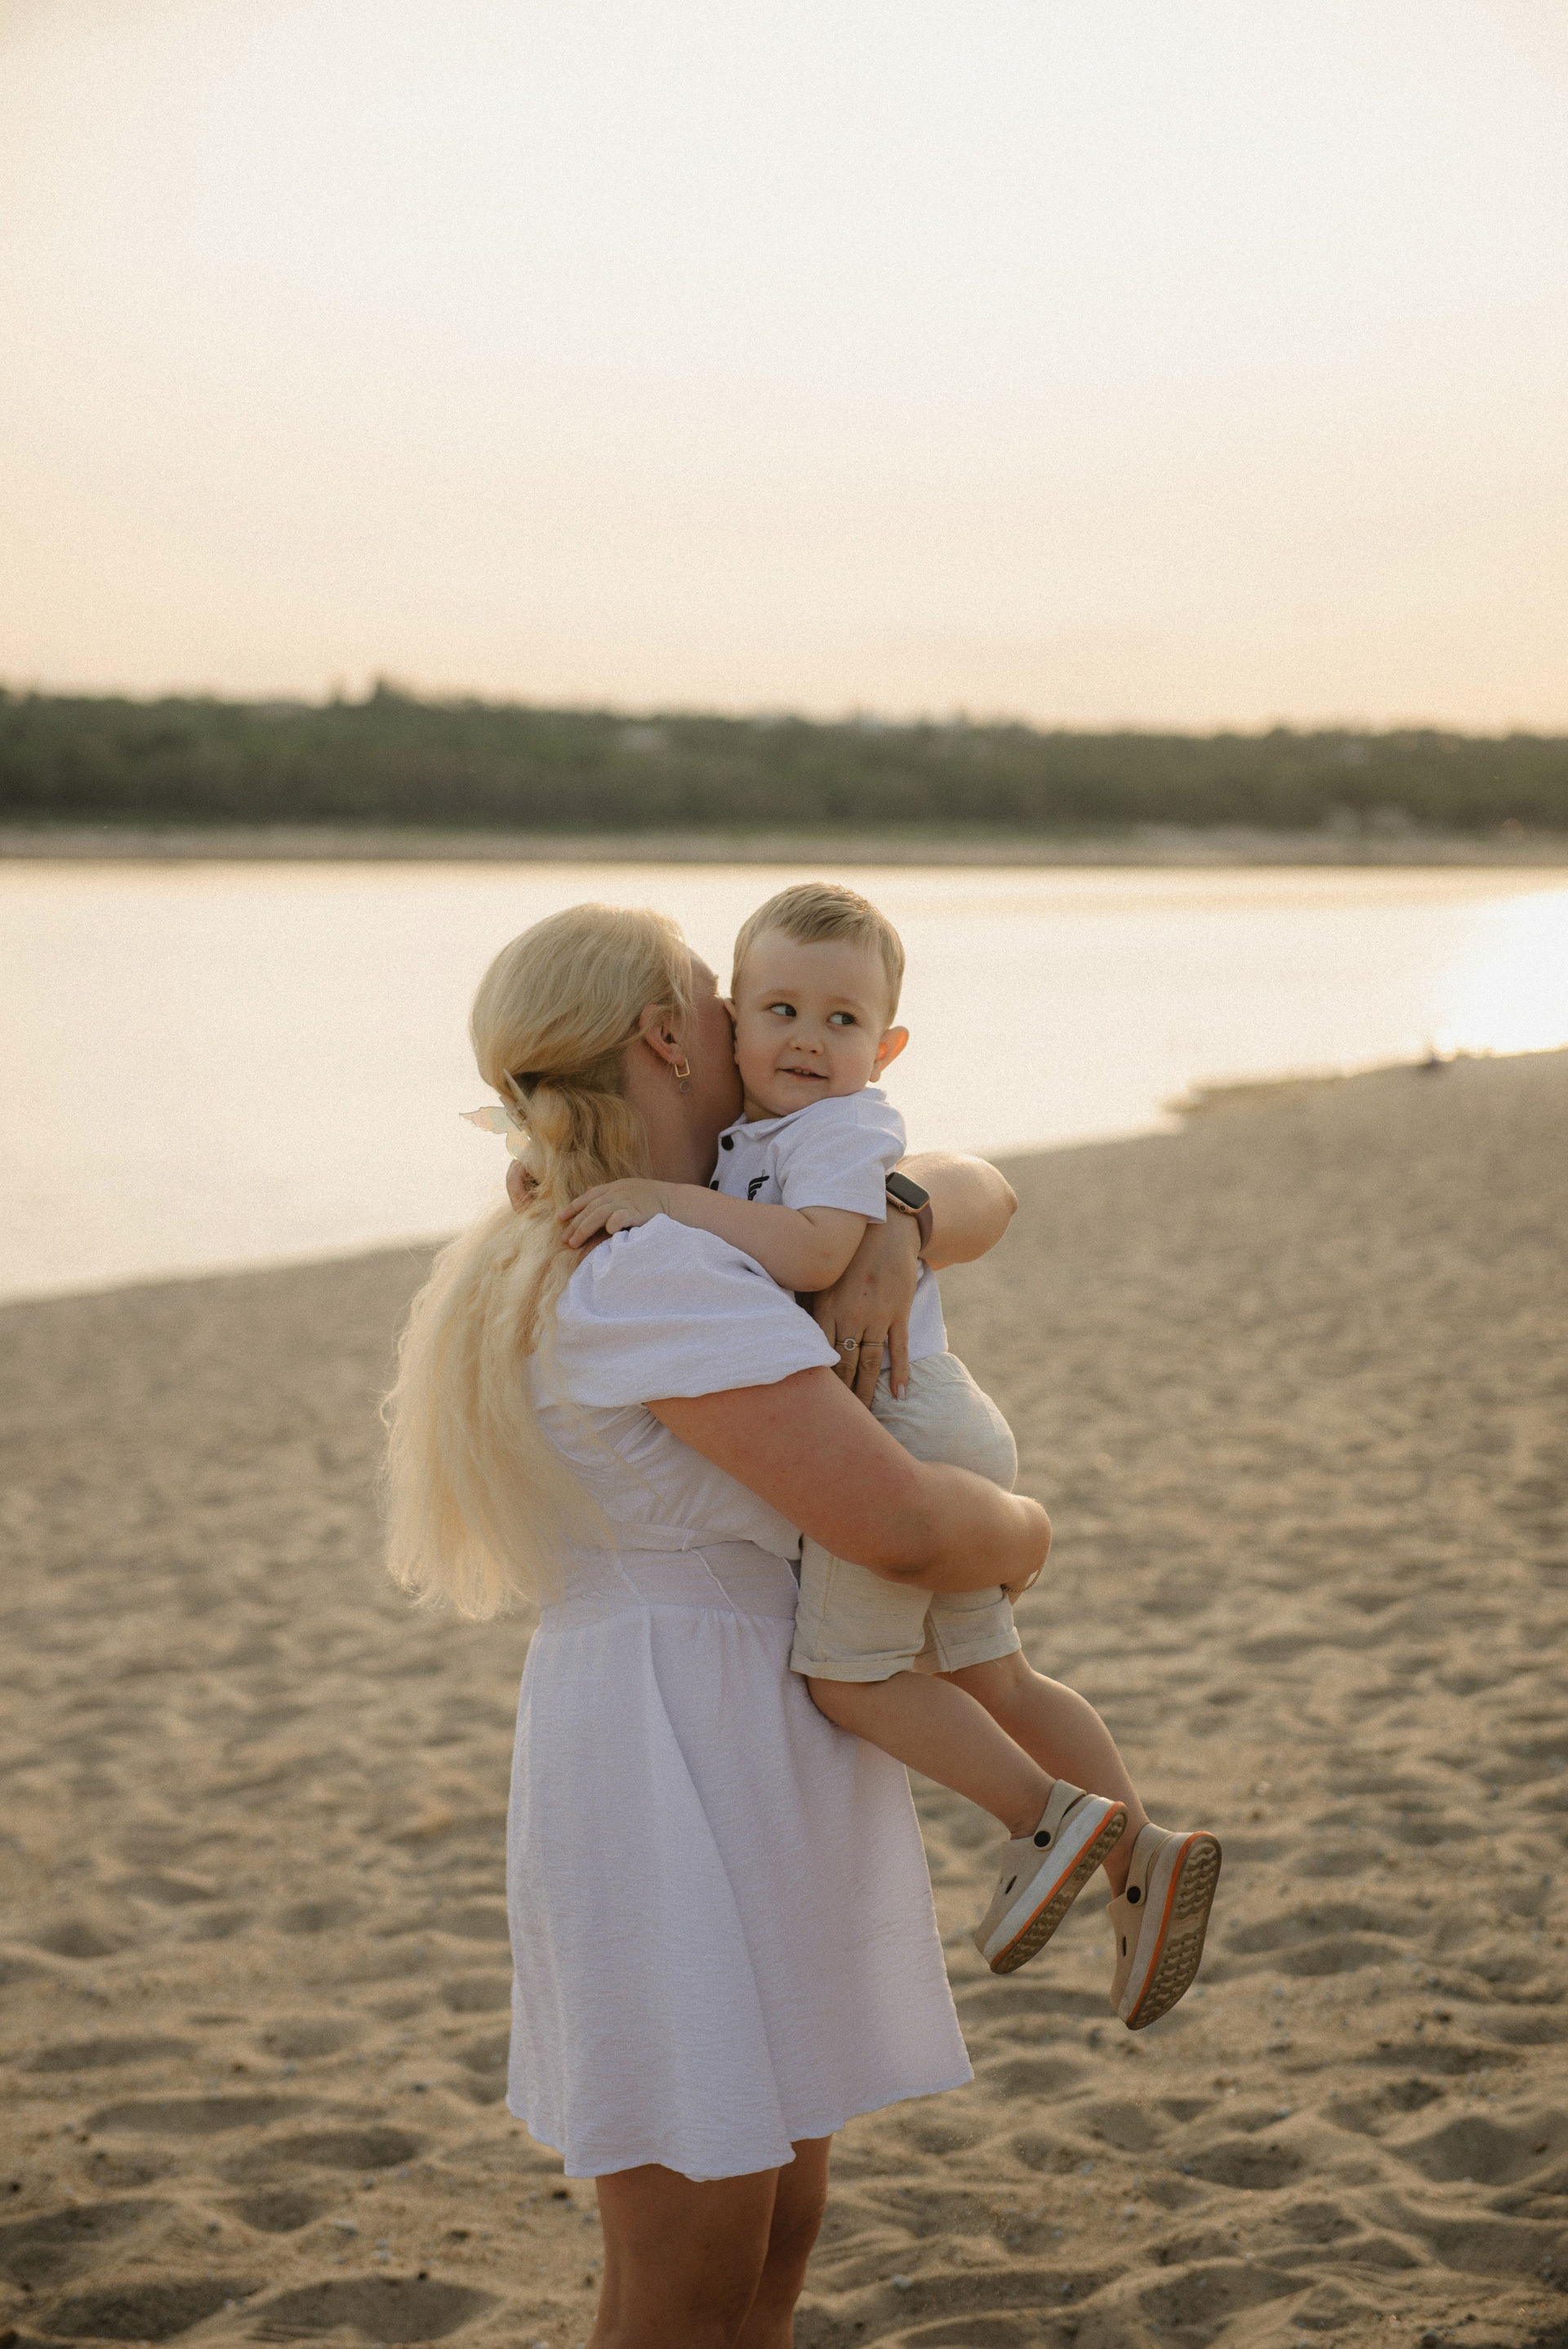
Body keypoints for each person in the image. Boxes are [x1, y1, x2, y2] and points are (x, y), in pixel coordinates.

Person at [383, 902, 1047, 2349]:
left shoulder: (708, 1224)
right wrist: (1028, 1534)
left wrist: (897, 1221)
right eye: (724, 1002)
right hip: (670, 1752)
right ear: (672, 1039)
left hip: (735, 1726)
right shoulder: (651, 1265)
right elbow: (899, 1527)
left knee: (772, 2227)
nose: (761, 1028)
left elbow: (983, 1186)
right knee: (694, 2261)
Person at [558, 883, 1221, 2014]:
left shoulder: (840, 1129)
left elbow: (818, 1251)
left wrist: (663, 1199)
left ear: (888, 1047)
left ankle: (1043, 1819)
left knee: (849, 1677)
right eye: (779, 1011)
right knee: (992, 1673)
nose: (808, 1041)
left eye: (843, 1021)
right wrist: (573, 1175)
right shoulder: (755, 1140)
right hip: (929, 1408)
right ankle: (1144, 1861)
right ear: (727, 1026)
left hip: (896, 1415)